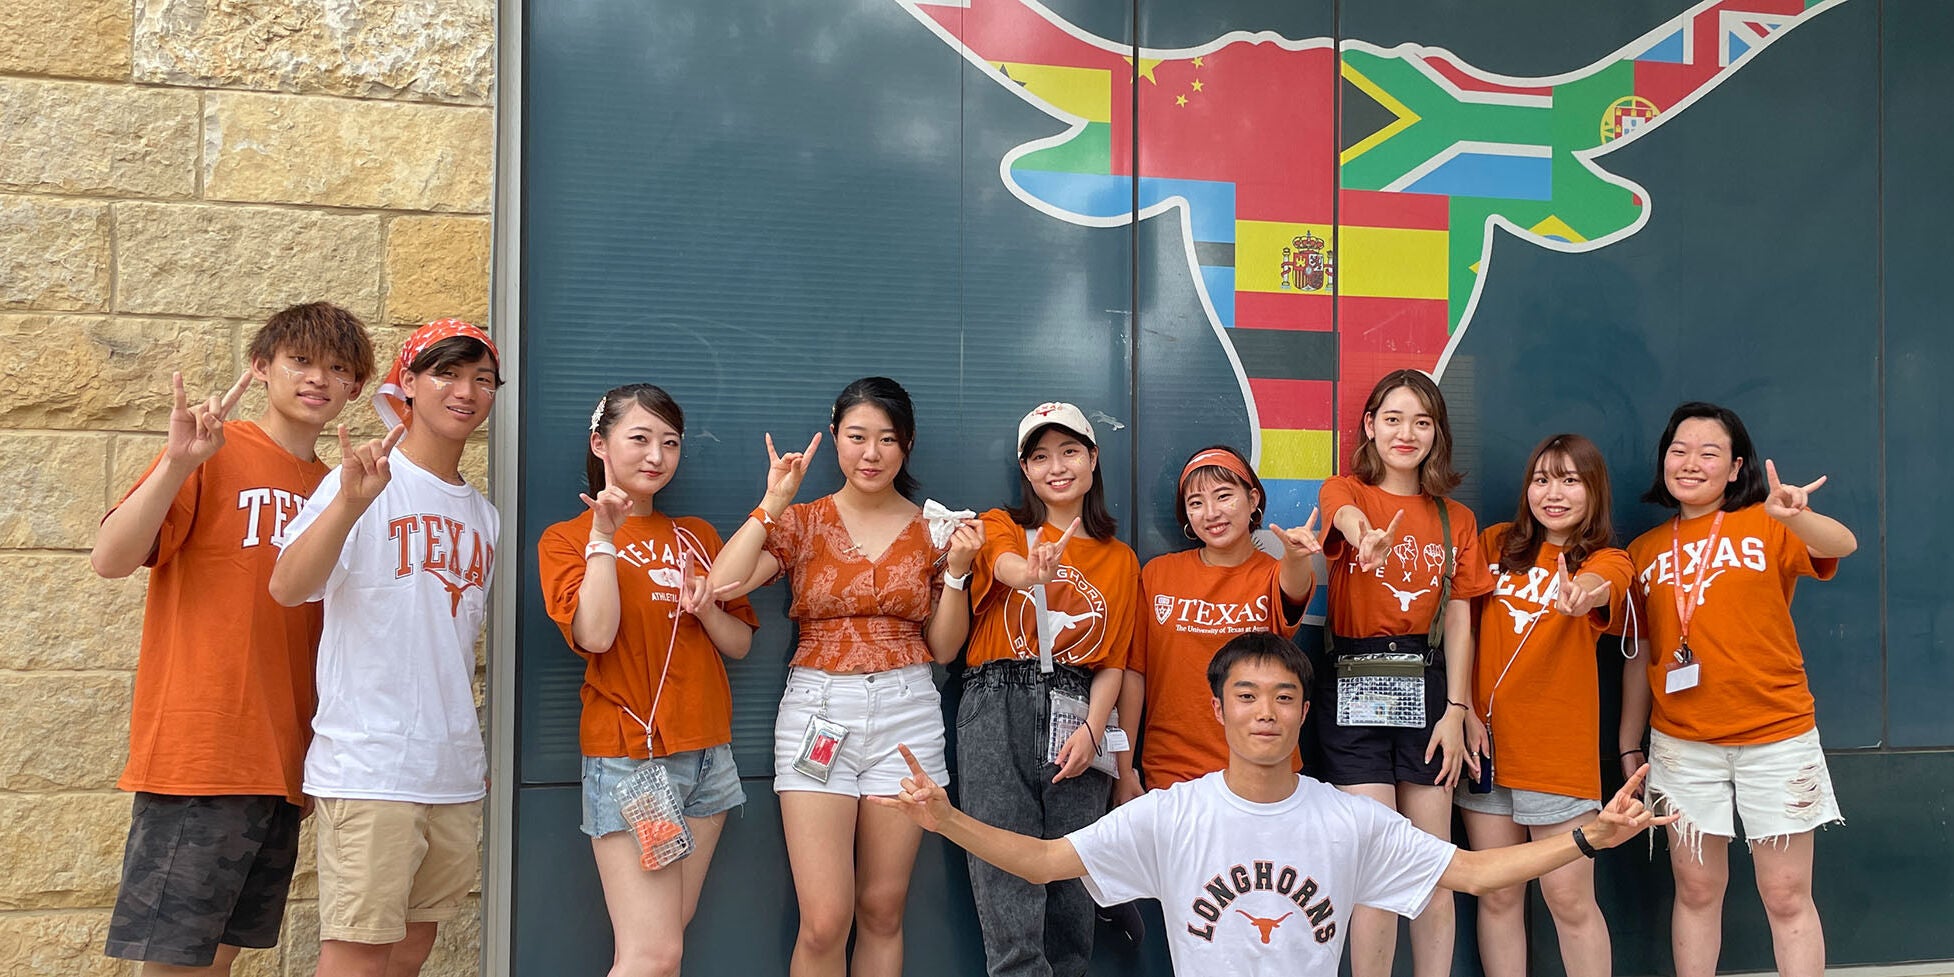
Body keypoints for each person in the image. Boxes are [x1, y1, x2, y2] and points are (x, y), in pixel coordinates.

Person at [874, 632, 1675, 977]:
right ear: (1218, 710)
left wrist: (1586, 839)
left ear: (1302, 713)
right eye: (1247, 694)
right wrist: (946, 818)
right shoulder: (1174, 812)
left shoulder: (1349, 818)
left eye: (1283, 696)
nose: (1265, 710)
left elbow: (1468, 872)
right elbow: (1048, 860)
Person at [91, 303, 375, 975]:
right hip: (202, 753)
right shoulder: (215, 451)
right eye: (300, 361)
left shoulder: (344, 488)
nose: (319, 380)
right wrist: (174, 466)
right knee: (173, 965)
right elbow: (109, 557)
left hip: (284, 763)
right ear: (261, 366)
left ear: (356, 388)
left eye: (339, 368)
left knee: (219, 964)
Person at [705, 376, 982, 977]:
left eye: (887, 439)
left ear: (906, 446)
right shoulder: (803, 521)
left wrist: (957, 573)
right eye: (857, 436)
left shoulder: (935, 529)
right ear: (834, 439)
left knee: (882, 910)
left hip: (908, 709)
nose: (871, 453)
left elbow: (943, 648)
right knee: (825, 920)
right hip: (818, 710)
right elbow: (722, 585)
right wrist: (772, 502)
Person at [269, 319, 503, 977]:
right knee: (356, 958)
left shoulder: (483, 514)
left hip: (450, 768)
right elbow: (288, 585)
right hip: (371, 764)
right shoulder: (366, 479)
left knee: (409, 953)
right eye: (447, 373)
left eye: (482, 379)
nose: (466, 391)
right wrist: (346, 503)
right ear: (407, 384)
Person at [1618, 402, 1855, 977]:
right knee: (1696, 892)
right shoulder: (1644, 552)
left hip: (1777, 736)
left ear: (1734, 467)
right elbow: (1642, 655)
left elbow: (1841, 545)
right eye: (1679, 450)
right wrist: (1630, 745)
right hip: (1681, 744)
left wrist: (1795, 514)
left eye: (1709, 453)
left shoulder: (1769, 522)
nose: (1691, 463)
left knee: (1786, 894)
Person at [536, 384, 760, 977]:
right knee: (654, 955)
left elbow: (739, 643)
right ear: (600, 443)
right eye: (639, 438)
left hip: (708, 759)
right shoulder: (566, 538)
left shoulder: (697, 535)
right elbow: (596, 634)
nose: (656, 455)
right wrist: (604, 538)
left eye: (670, 442)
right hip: (637, 763)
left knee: (662, 941)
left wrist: (706, 607)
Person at [1315, 368, 1494, 977]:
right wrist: (1365, 538)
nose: (1406, 433)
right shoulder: (1346, 491)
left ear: (1437, 433)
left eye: (1422, 421)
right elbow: (1343, 518)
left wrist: (1457, 711)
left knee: (1432, 863)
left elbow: (1465, 621)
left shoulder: (1457, 519)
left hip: (1431, 683)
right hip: (1356, 679)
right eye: (1392, 418)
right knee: (1373, 865)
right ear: (1369, 425)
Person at [956, 402, 1140, 977]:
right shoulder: (1002, 524)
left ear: (1093, 459)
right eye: (1040, 457)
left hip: (1081, 709)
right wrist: (1033, 573)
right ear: (1025, 470)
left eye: (1068, 452)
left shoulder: (1121, 558)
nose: (1055, 467)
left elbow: (1114, 661)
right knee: (1004, 875)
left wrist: (1093, 729)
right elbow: (1005, 563)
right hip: (995, 701)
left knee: (1071, 883)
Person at [1458, 434, 1636, 977]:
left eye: (1569, 480)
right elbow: (1460, 625)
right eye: (1541, 479)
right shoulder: (1493, 544)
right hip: (1483, 748)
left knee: (1570, 901)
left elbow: (1604, 585)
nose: (1552, 493)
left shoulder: (1608, 559)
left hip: (1557, 757)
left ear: (1593, 490)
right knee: (1498, 896)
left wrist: (1582, 594)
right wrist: (1462, 707)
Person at [1117, 445, 1317, 802]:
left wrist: (1296, 557)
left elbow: (1294, 585)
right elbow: (1135, 674)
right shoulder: (1159, 574)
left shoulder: (1273, 574)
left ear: (1252, 498)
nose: (1211, 513)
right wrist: (1123, 767)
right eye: (1195, 503)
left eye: (1224, 496)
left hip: (1262, 773)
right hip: (1172, 774)